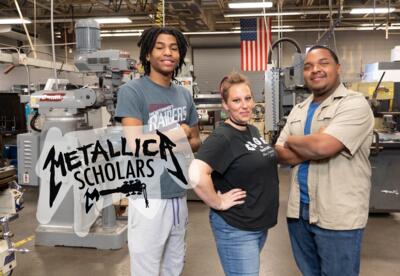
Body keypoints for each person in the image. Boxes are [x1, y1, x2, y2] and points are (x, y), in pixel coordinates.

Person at [275, 45, 374, 276]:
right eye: (308, 66)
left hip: (338, 215)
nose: (315, 70)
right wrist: (316, 144)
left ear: (338, 68)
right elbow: (279, 151)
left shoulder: (353, 104)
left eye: (323, 63)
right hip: (299, 212)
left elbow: (323, 146)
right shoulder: (299, 109)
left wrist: (300, 142)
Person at [115, 26, 201, 276]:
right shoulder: (132, 91)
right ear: (148, 54)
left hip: (177, 193)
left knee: (174, 266)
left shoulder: (184, 95)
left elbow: (196, 141)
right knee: (147, 268)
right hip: (148, 196)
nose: (168, 53)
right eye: (160, 47)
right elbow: (137, 145)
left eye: (174, 48)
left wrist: (170, 139)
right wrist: (178, 133)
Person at [189, 72, 279, 276]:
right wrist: (217, 202)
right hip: (236, 228)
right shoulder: (223, 136)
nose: (245, 105)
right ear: (226, 105)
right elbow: (196, 173)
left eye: (247, 98)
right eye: (236, 100)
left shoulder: (251, 131)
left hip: (255, 225)